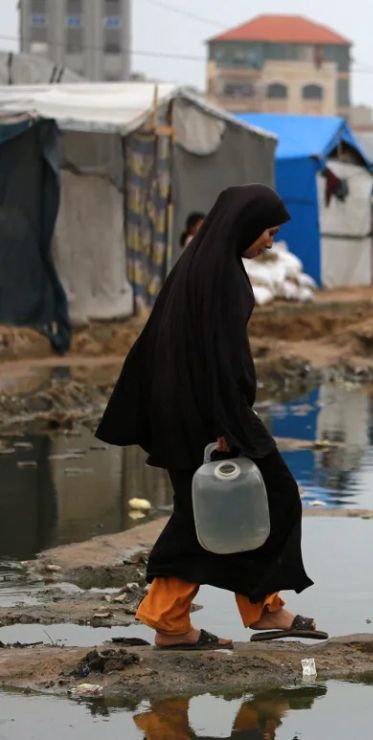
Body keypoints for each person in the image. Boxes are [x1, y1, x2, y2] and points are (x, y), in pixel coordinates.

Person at [96, 185, 324, 650]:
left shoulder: (205, 265)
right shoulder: (217, 274)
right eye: (268, 232)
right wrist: (225, 425)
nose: (270, 243)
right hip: (207, 412)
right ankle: (230, 611)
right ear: (245, 225)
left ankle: (214, 614)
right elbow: (215, 360)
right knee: (270, 496)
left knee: (213, 511)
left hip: (189, 408)